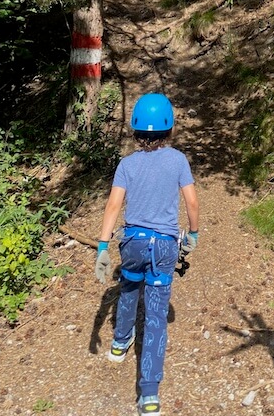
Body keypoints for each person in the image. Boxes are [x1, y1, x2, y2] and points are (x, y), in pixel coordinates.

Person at [95, 92, 199, 416]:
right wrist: (192, 233)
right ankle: (149, 396)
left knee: (127, 290)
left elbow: (113, 206)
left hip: (133, 243)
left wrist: (102, 246)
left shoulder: (127, 164)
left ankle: (118, 343)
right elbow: (192, 202)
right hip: (165, 246)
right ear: (169, 128)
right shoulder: (179, 160)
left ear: (135, 129)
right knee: (155, 317)